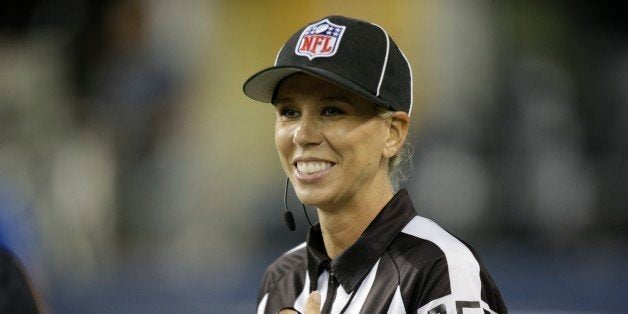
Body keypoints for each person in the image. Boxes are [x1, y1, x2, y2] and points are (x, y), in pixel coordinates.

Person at [243, 15, 507, 314]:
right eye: (289, 112)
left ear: (392, 133)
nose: (302, 134)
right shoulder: (282, 279)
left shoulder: (438, 267)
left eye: (332, 110)